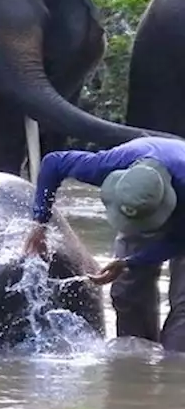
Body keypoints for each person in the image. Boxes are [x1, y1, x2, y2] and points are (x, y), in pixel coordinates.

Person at [23, 137, 185, 349]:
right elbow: (53, 163)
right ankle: (135, 367)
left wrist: (131, 261)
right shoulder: (110, 165)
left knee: (183, 308)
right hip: (145, 196)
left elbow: (178, 242)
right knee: (126, 293)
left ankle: (173, 369)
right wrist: (40, 223)